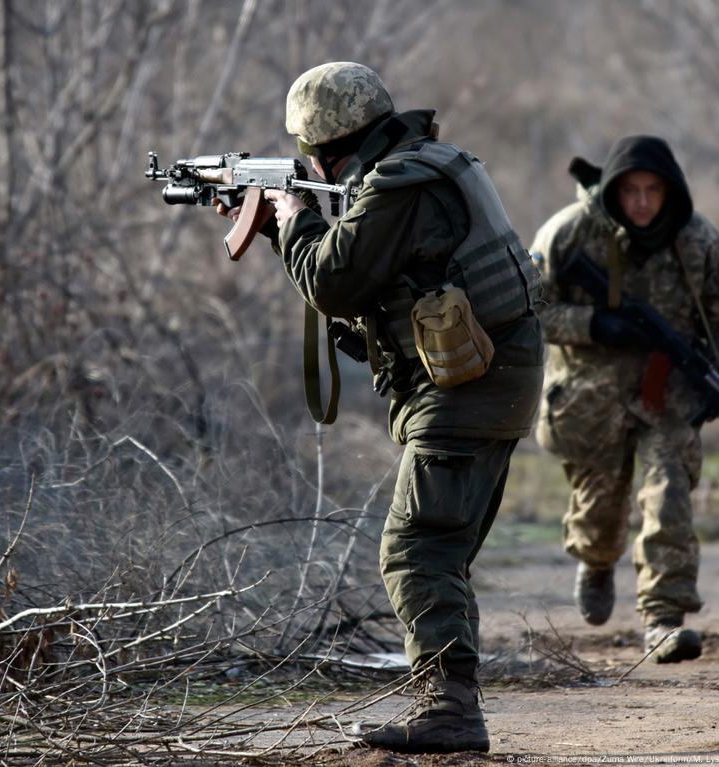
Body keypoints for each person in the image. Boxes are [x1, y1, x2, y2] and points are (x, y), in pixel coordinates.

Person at [215, 62, 544, 752]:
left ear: (324, 145)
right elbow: (364, 269)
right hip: (487, 379)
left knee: (416, 546)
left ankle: (449, 712)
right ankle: (448, 703)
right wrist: (281, 228)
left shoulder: (394, 186)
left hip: (468, 388)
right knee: (439, 548)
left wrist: (294, 216)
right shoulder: (423, 166)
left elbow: (335, 281)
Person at [531, 135, 719, 663]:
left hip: (665, 394)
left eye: (654, 191)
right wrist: (594, 323)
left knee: (668, 494)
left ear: (671, 192)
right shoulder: (570, 233)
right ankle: (597, 561)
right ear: (615, 191)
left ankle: (663, 620)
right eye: (632, 191)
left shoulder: (699, 242)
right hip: (589, 398)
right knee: (599, 515)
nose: (643, 203)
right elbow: (526, 308)